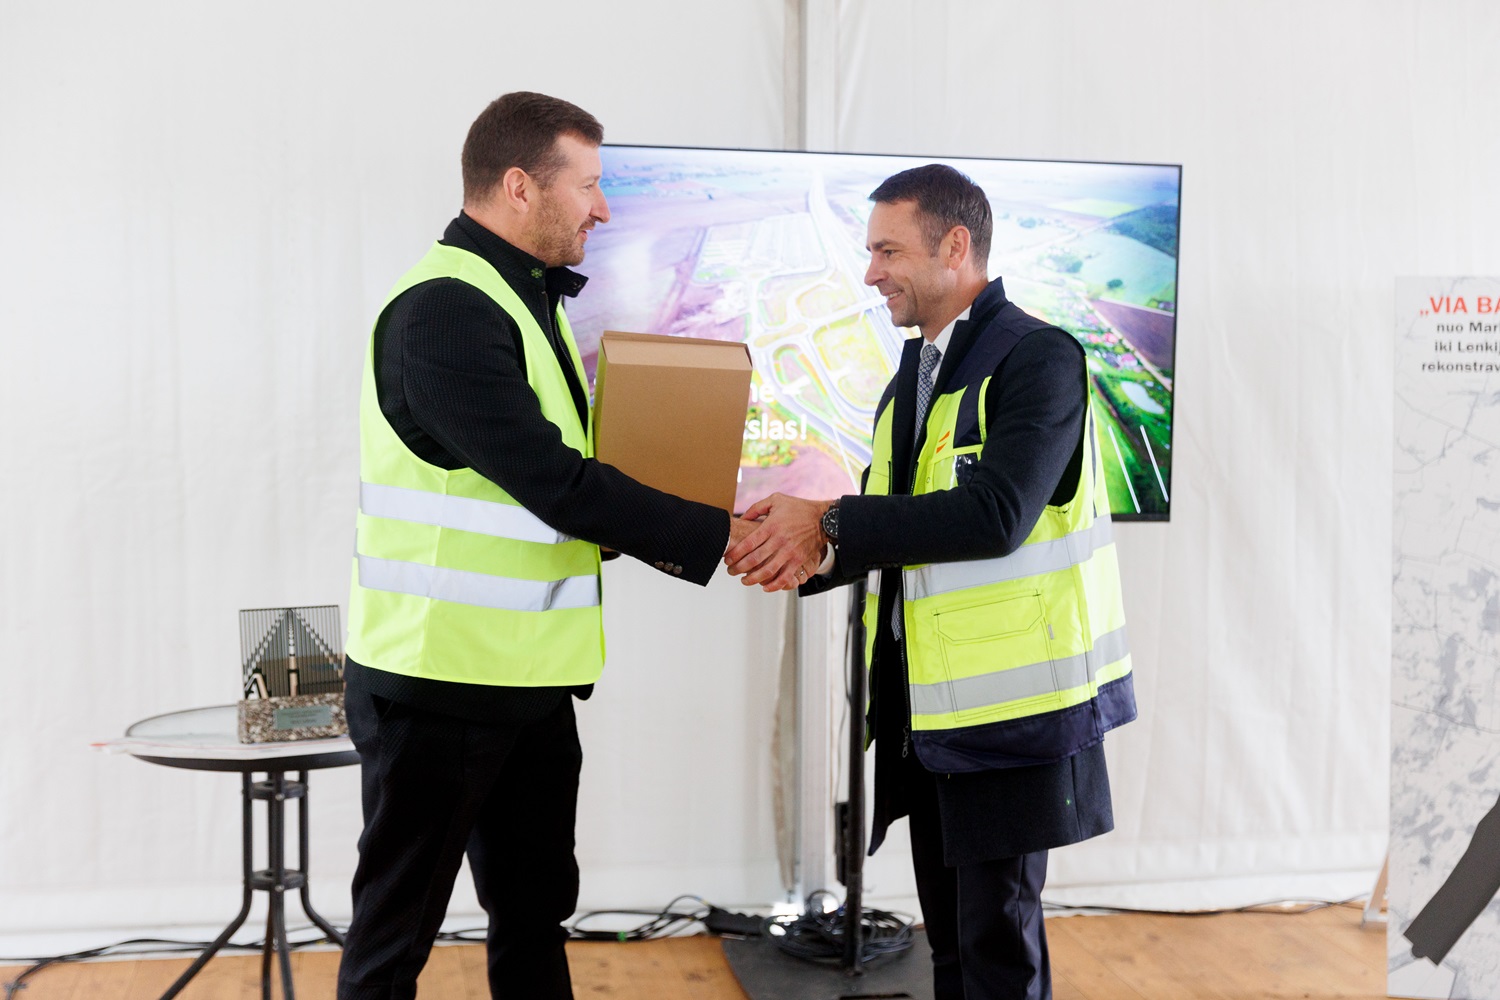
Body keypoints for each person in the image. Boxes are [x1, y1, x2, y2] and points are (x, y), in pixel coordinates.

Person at [338, 91, 751, 1000]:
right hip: (439, 682)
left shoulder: (523, 301)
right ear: (521, 186)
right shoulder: (446, 311)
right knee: (394, 934)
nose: (602, 208)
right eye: (589, 185)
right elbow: (556, 481)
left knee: (533, 913)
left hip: (524, 678)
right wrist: (717, 534)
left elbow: (549, 488)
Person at [726, 164, 1136, 1000]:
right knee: (950, 946)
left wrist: (828, 520)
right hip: (931, 716)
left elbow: (994, 516)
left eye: (887, 251)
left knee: (996, 952)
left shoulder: (1038, 359)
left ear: (955, 246)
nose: (869, 273)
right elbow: (897, 523)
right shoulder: (914, 375)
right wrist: (803, 550)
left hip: (1012, 719)